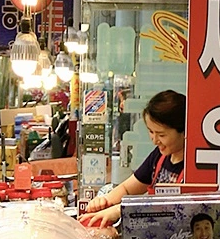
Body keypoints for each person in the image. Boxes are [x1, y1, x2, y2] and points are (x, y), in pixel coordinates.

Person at [80, 89, 186, 228]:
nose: (154, 140)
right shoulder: (159, 156)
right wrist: (103, 201)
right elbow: (127, 189)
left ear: (184, 131)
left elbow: (172, 210)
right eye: (151, 131)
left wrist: (119, 210)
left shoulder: (196, 166)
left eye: (161, 135)